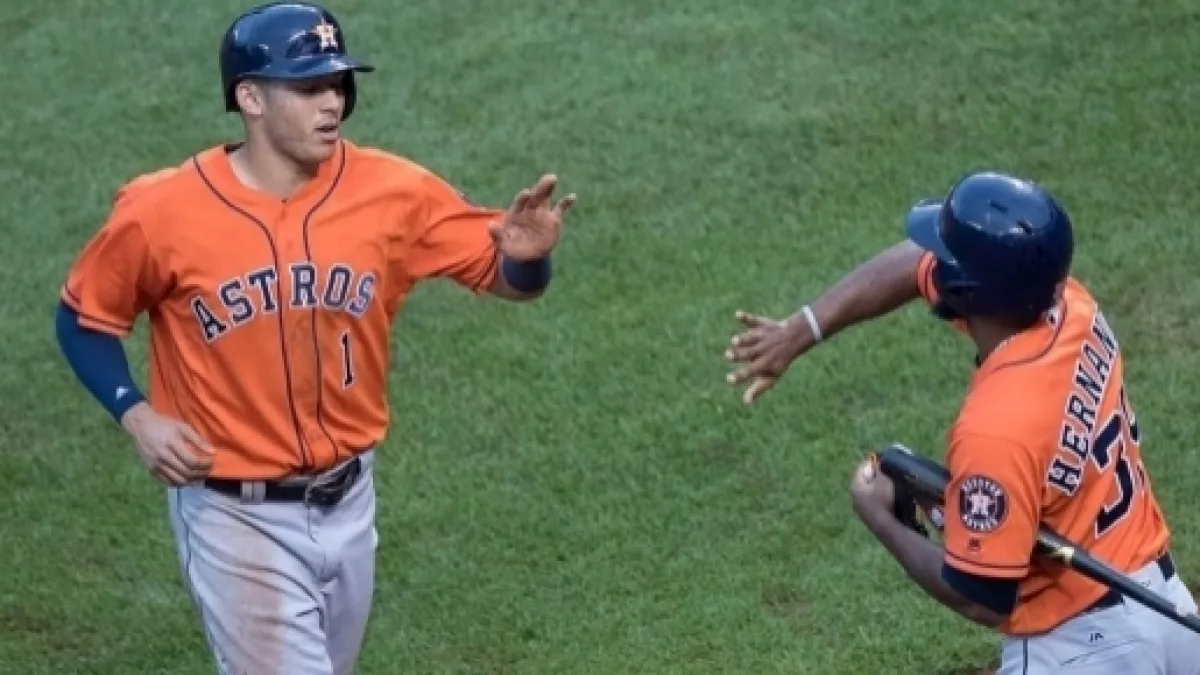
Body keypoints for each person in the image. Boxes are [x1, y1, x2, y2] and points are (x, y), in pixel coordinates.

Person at [53, 2, 576, 674]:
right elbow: (84, 316)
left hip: (351, 501)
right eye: (307, 88)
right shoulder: (162, 211)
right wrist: (137, 414)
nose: (331, 103)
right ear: (250, 98)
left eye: (337, 85)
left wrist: (529, 260)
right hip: (235, 516)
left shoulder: (394, 191)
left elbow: (506, 279)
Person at [724, 171, 1200, 673]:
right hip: (1165, 610)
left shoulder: (994, 429)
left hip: (1079, 651)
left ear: (963, 292)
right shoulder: (1072, 309)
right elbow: (915, 264)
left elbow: (981, 596)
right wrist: (803, 328)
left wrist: (880, 517)